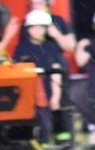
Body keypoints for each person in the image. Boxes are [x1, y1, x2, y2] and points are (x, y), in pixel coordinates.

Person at [13, 8, 68, 141]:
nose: (37, 31)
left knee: (54, 112)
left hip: (50, 86)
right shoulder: (21, 48)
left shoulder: (52, 47)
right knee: (35, 117)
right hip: (30, 90)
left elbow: (56, 72)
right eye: (34, 28)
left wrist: (56, 95)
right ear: (28, 29)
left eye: (40, 28)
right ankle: (36, 141)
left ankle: (60, 140)